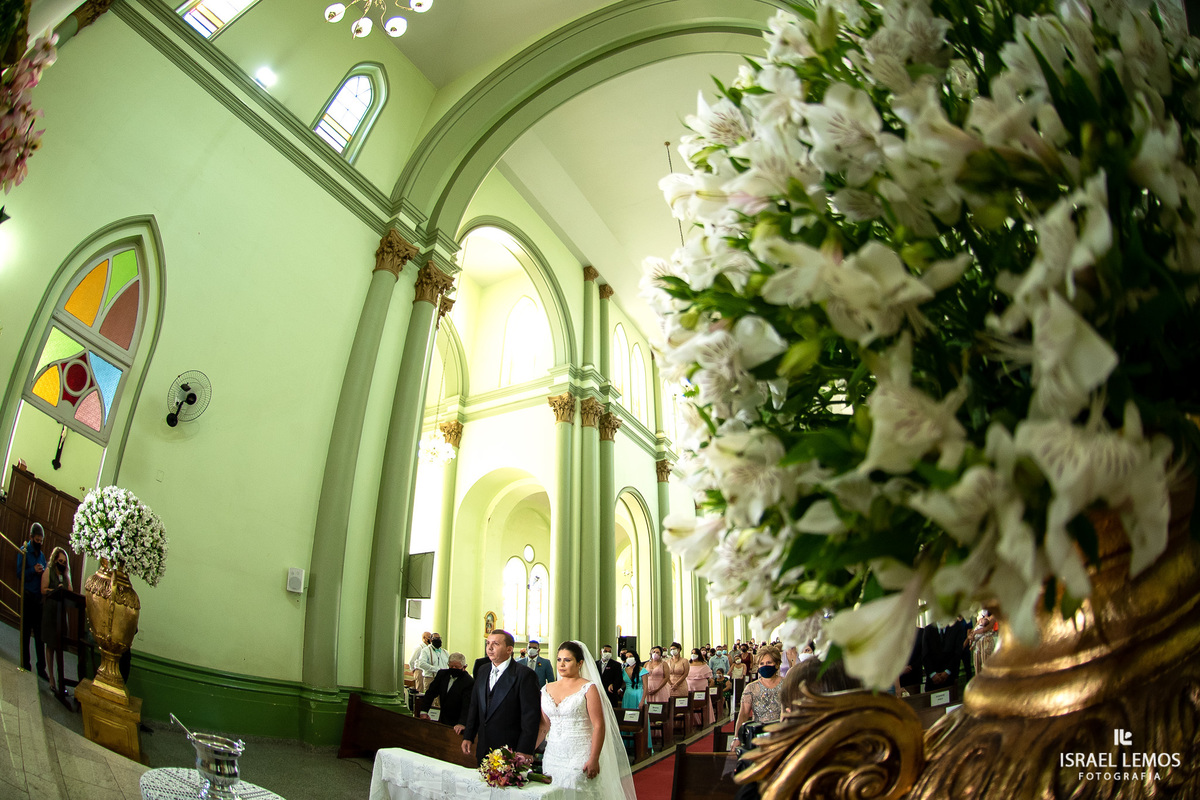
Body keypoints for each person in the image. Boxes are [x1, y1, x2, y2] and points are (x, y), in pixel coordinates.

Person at [537, 640, 636, 800]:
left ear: (580, 663)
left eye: (567, 660)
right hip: (553, 756)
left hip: (580, 755)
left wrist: (594, 758)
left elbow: (598, 725)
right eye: (559, 659)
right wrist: (527, 752)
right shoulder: (547, 688)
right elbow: (544, 725)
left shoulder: (588, 688)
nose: (562, 664)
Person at [459, 630, 540, 763]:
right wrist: (468, 736)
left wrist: (524, 750)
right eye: (488, 643)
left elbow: (530, 717)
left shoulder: (524, 675)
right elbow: (475, 705)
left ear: (509, 649)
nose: (489, 648)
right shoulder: (483, 670)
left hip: (509, 749)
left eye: (495, 644)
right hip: (484, 746)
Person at [41, 546, 72, 695]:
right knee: (50, 645)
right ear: (55, 560)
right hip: (51, 611)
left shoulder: (66, 576)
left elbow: (70, 591)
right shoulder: (49, 571)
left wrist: (64, 588)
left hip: (61, 614)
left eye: (64, 562)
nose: (62, 563)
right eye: (60, 561)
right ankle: (52, 678)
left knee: (59, 646)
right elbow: (43, 589)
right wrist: (55, 590)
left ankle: (61, 680)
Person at [733, 646, 783, 739]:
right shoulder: (751, 688)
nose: (765, 666)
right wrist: (737, 737)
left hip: (782, 735)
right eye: (762, 663)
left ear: (777, 664)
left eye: (769, 663)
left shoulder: (787, 684)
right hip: (759, 736)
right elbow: (743, 714)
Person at [18, 523, 47, 678]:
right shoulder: (24, 551)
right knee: (25, 632)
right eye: (37, 540)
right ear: (31, 538)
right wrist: (32, 570)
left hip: (38, 600)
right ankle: (25, 664)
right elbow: (18, 573)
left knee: (40, 636)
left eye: (41, 540)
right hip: (28, 596)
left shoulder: (41, 555)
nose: (39, 543)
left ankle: (41, 668)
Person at [419, 651, 474, 726]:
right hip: (442, 718)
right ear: (448, 665)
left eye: (457, 667)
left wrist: (462, 723)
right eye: (451, 667)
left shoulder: (469, 682)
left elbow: (467, 705)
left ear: (464, 667)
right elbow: (431, 693)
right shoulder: (442, 675)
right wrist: (424, 711)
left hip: (457, 721)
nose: (453, 669)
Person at [686, 648, 714, 726]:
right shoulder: (688, 664)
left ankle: (705, 719)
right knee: (691, 703)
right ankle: (692, 720)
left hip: (701, 686)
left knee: (701, 702)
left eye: (695, 653)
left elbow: (710, 677)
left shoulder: (704, 664)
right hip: (690, 686)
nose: (693, 655)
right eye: (692, 653)